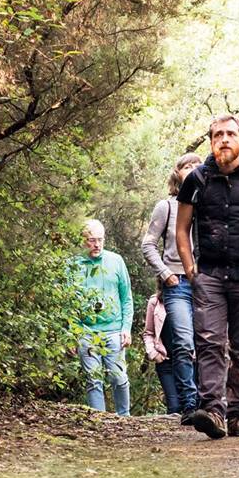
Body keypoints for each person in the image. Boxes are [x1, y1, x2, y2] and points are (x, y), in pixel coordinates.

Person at [176, 114, 239, 439]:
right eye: (218, 134)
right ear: (210, 141)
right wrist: (191, 269)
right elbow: (182, 229)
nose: (224, 139)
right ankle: (213, 412)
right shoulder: (196, 180)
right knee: (208, 342)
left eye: (230, 134)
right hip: (208, 275)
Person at [141, 153, 202, 425]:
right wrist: (166, 274)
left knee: (209, 344)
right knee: (183, 342)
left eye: (197, 165)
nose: (192, 169)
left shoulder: (208, 203)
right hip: (177, 282)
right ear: (177, 173)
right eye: (186, 166)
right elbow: (148, 244)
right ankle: (190, 404)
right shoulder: (166, 206)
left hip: (205, 282)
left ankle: (209, 403)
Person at [69, 219, 133, 416]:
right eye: (91, 240)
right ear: (83, 241)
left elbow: (126, 297)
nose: (96, 245)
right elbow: (68, 304)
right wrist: (73, 334)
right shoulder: (73, 265)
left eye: (100, 240)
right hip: (86, 331)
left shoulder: (116, 261)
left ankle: (125, 418)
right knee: (93, 379)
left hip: (114, 330)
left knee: (118, 377)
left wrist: (126, 328)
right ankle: (99, 419)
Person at [142, 282, 179, 413]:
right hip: (166, 362)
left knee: (192, 406)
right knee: (174, 407)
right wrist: (153, 353)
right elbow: (148, 333)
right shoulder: (155, 302)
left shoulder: (193, 298)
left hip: (189, 362)